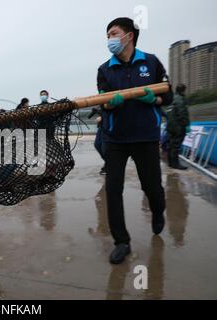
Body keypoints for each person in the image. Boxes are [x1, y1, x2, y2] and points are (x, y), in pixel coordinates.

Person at [97, 17, 173, 264]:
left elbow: (168, 95)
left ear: (129, 35)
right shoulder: (105, 69)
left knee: (151, 187)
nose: (110, 38)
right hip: (115, 138)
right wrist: (110, 102)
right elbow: (103, 102)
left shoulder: (151, 62)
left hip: (145, 135)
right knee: (113, 190)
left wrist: (155, 100)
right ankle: (121, 241)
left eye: (114, 33)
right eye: (108, 35)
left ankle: (158, 211)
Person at [166, 84, 190, 170]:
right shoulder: (180, 99)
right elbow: (182, 113)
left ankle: (171, 163)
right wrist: (186, 125)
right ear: (183, 90)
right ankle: (176, 164)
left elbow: (168, 113)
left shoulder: (171, 99)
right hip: (178, 127)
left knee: (170, 145)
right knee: (176, 146)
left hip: (170, 126)